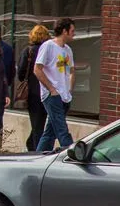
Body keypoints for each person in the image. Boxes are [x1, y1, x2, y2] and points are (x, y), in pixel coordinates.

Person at [33, 17, 77, 152]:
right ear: (64, 31)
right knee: (62, 129)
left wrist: (69, 90)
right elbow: (37, 69)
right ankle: (73, 153)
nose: (74, 33)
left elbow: (72, 71)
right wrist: (51, 89)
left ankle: (39, 156)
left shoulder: (68, 50)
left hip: (64, 96)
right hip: (52, 95)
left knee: (50, 132)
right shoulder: (48, 46)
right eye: (72, 31)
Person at [18, 23, 51, 151]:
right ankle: (33, 146)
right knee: (42, 122)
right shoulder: (48, 51)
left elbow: (21, 72)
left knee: (37, 123)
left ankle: (35, 148)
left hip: (33, 92)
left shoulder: (28, 51)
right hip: (47, 90)